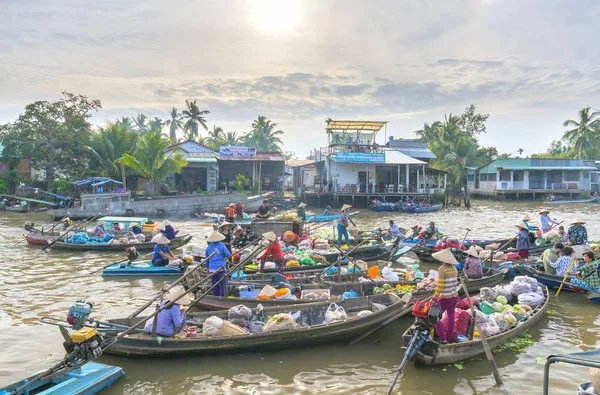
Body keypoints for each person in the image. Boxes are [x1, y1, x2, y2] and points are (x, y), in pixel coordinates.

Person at [431, 249, 460, 344]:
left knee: (434, 317)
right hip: (455, 297)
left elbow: (440, 287)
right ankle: (448, 338)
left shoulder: (442, 269)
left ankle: (442, 339)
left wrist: (434, 298)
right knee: (451, 318)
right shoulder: (454, 269)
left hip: (445, 298)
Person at [205, 231, 231, 297]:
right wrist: (222, 256)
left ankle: (215, 297)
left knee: (215, 284)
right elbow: (228, 255)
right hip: (221, 268)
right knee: (223, 284)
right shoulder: (222, 245)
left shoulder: (208, 247)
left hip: (212, 268)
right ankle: (222, 298)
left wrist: (207, 268)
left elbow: (207, 260)